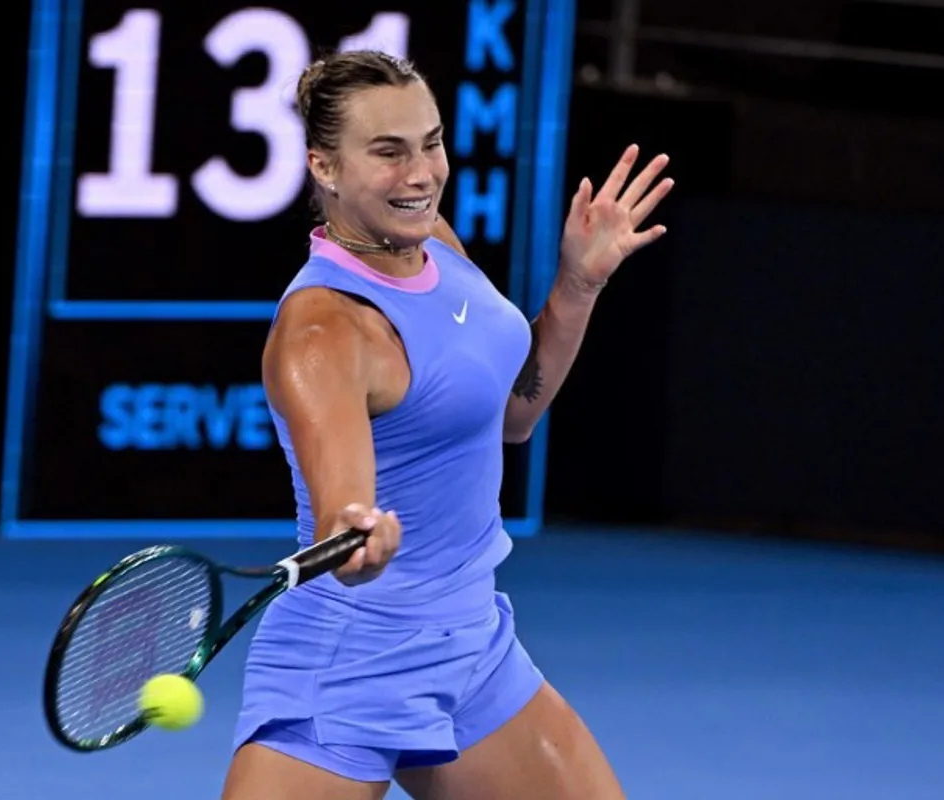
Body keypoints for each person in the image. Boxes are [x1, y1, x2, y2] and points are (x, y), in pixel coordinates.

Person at [221, 50, 673, 800]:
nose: (421, 173)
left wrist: (579, 283)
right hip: (351, 658)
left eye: (430, 143)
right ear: (324, 167)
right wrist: (359, 533)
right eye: (388, 153)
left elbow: (512, 416)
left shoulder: (435, 246)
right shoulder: (321, 332)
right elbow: (343, 519)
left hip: (469, 641)